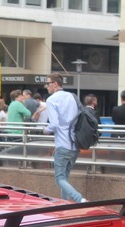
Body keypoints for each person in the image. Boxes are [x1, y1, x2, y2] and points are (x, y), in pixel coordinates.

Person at [43, 72, 86, 203]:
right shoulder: (72, 96)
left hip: (62, 144)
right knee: (65, 177)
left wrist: (45, 129)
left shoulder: (51, 100)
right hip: (74, 145)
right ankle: (65, 202)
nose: (46, 86)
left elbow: (54, 124)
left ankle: (79, 199)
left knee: (60, 178)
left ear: (55, 84)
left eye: (48, 83)